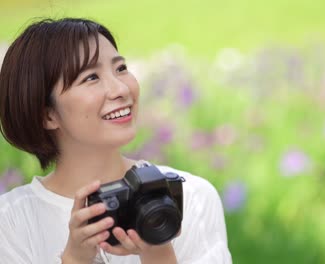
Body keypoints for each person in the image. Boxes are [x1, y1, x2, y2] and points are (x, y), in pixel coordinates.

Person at [0, 17, 232, 264]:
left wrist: (158, 253)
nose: (121, 89)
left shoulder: (193, 197)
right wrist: (75, 259)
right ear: (47, 114)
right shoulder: (12, 221)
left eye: (120, 68)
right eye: (91, 77)